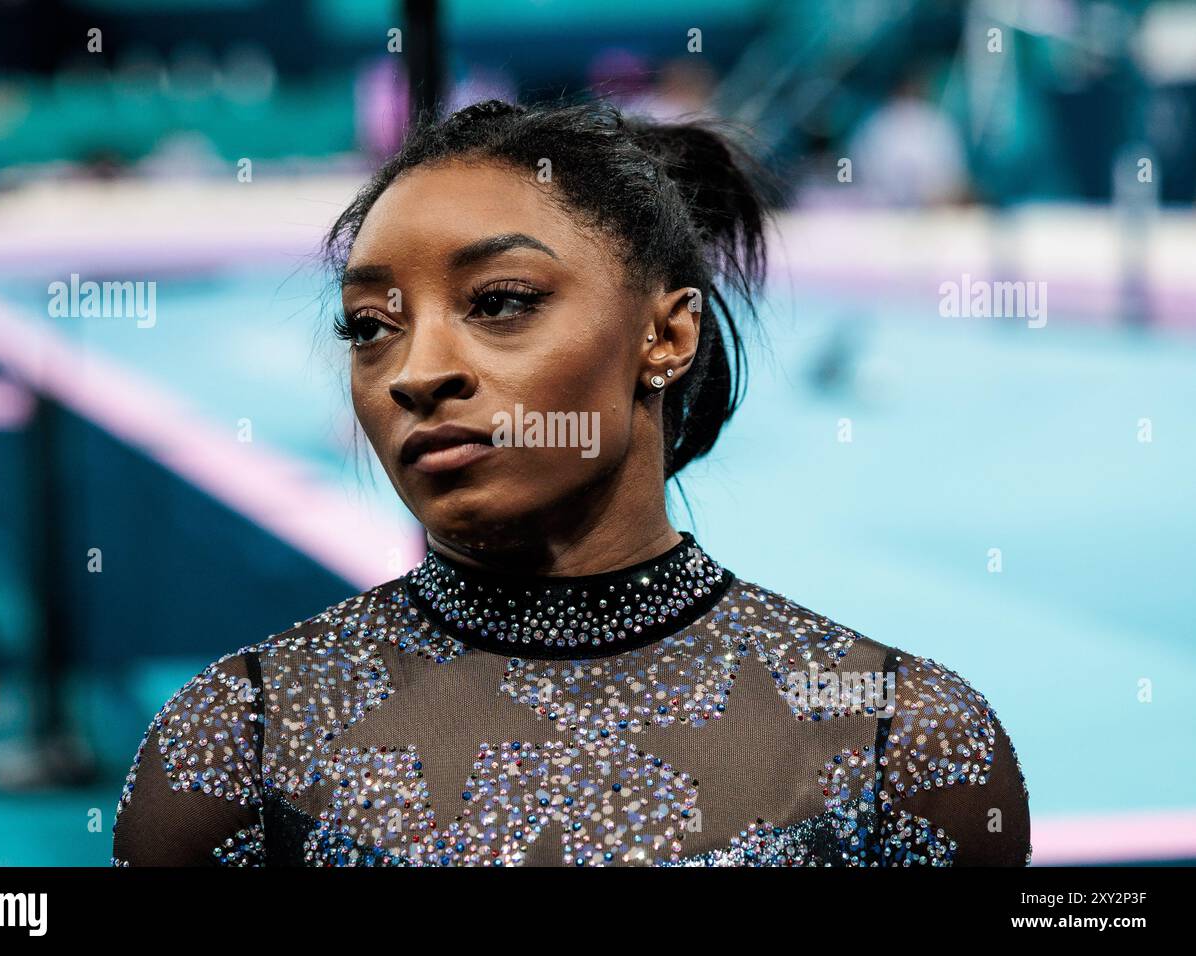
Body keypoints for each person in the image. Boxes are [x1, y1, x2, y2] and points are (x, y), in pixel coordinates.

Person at [110, 100, 1031, 867]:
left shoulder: (903, 745)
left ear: (665, 337)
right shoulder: (238, 744)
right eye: (368, 326)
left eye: (500, 302)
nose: (416, 372)